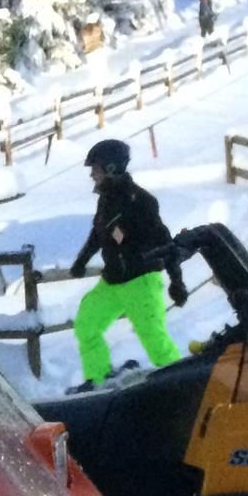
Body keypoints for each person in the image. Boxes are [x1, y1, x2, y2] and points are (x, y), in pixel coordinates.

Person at [67, 138, 187, 391]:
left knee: (153, 338)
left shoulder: (140, 201)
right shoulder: (106, 199)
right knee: (87, 324)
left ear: (111, 168)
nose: (91, 174)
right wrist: (82, 260)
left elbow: (165, 242)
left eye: (95, 168)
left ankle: (183, 384)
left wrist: (176, 281)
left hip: (141, 281)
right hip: (113, 281)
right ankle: (99, 380)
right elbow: (99, 232)